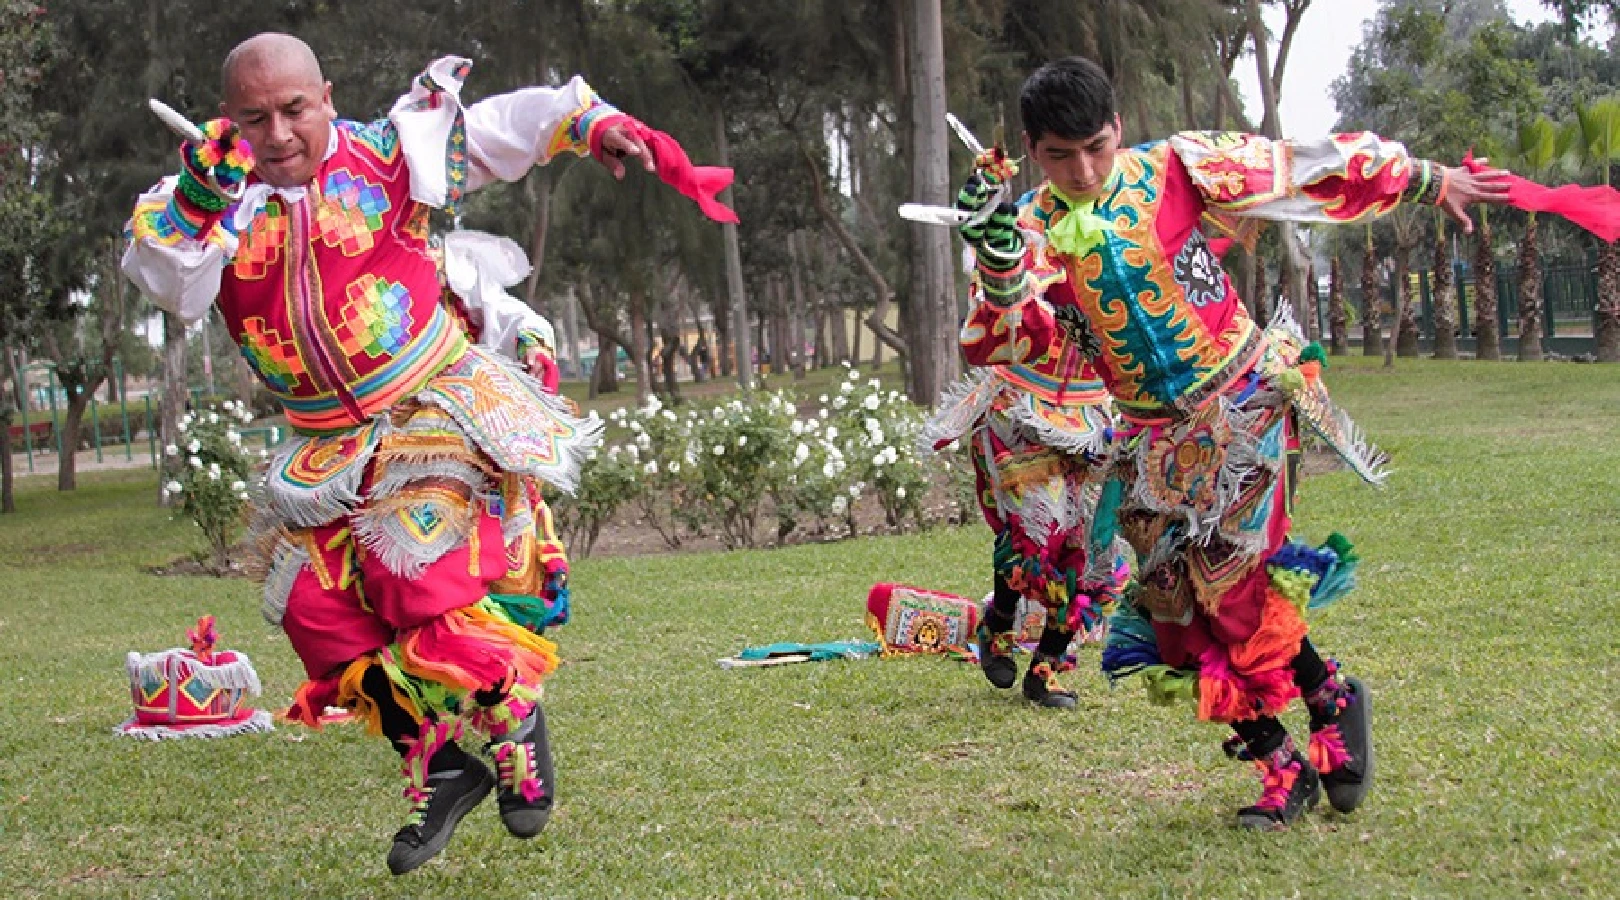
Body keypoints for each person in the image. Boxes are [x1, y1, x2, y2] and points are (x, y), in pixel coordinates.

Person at [124, 32, 733, 872]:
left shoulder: (389, 154)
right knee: (313, 612)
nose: (279, 134)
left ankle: (512, 715)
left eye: (294, 109)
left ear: (327, 99)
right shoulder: (210, 203)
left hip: (428, 404)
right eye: (254, 118)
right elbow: (170, 287)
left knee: (414, 573)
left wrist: (589, 124)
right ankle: (443, 766)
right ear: (227, 120)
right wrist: (199, 202)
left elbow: (501, 129)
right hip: (324, 446)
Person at [953, 56, 1512, 829]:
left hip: (1241, 399)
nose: (1082, 171)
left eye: (1096, 148)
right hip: (1148, 435)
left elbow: (1299, 165)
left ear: (1118, 128)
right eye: (1059, 155)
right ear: (1030, 149)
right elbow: (1008, 338)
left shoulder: (1177, 165)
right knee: (1176, 616)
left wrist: (1425, 178)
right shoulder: (1025, 229)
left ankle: (1331, 707)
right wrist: (997, 262)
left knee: (1234, 587)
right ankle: (1288, 754)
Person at [922, 147, 1127, 709]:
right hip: (1022, 411)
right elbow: (991, 268)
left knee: (1092, 549)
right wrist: (988, 211)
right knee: (1038, 536)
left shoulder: (1127, 227)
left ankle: (1047, 667)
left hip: (1095, 419)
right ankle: (999, 623)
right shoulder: (1029, 224)